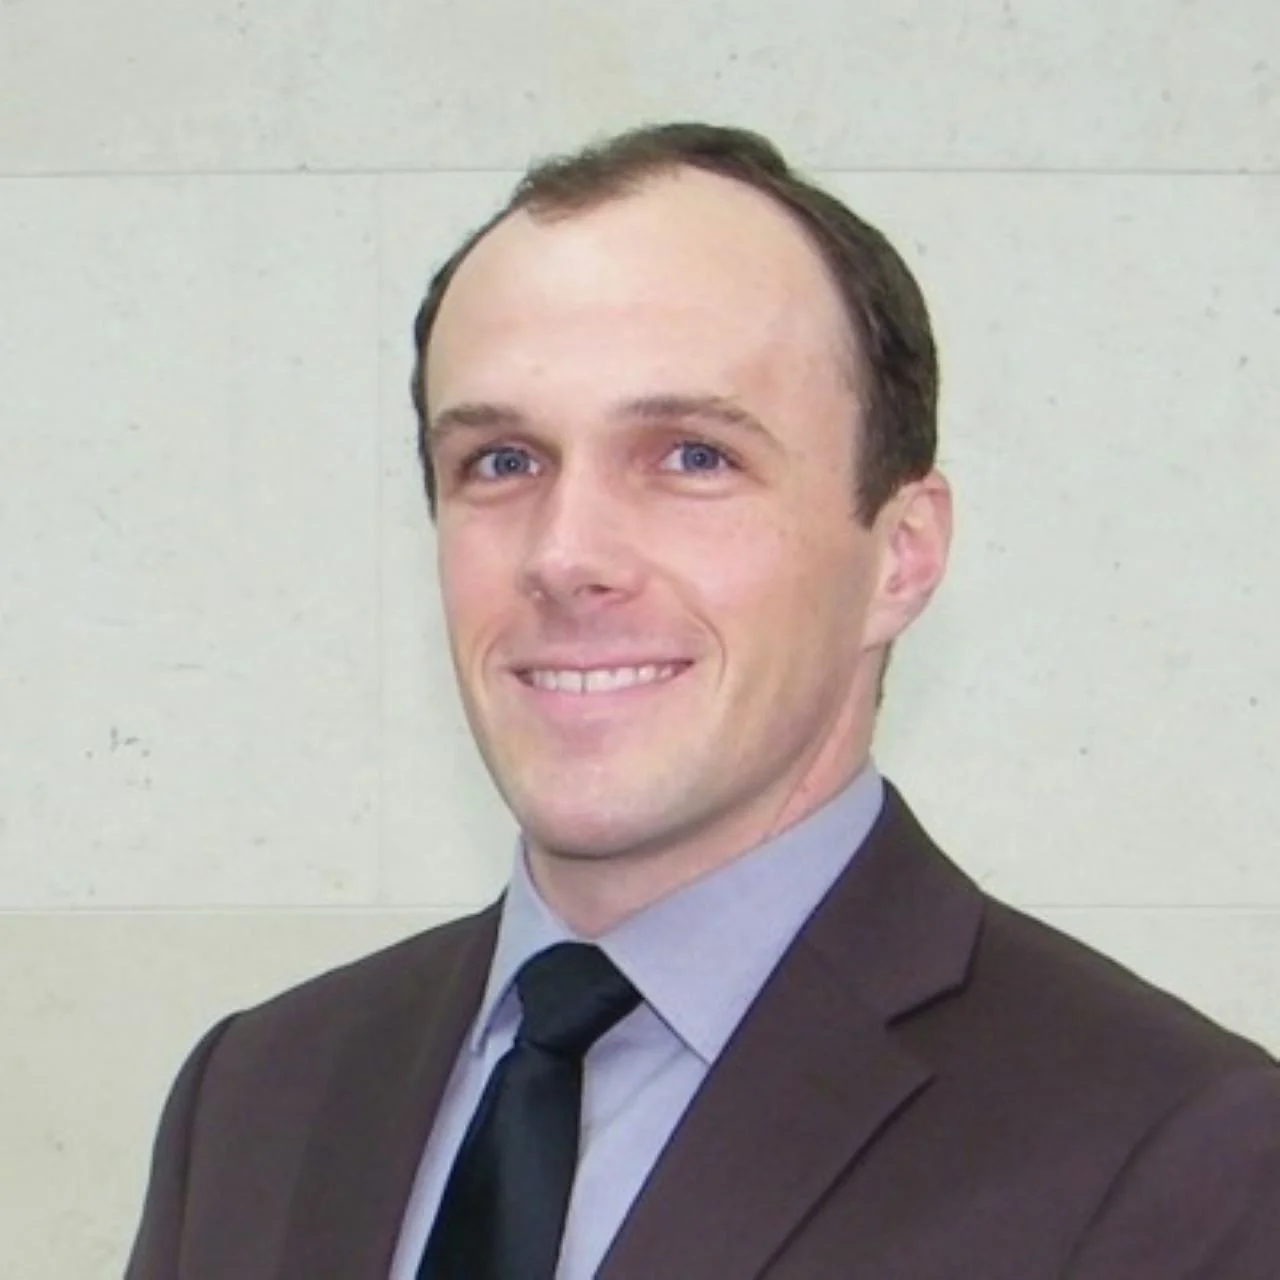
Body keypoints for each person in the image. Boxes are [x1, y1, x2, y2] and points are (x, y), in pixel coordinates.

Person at [126, 123, 1280, 1279]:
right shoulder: (257, 1094)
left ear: (900, 554)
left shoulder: (1181, 1155)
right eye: (502, 461)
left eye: (690, 456)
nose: (565, 555)